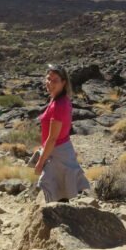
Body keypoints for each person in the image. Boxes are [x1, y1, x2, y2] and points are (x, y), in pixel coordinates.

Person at [34, 63, 90, 203]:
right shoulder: (58, 99)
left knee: (55, 192)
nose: (50, 83)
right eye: (48, 79)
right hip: (60, 150)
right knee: (60, 191)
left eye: (55, 80)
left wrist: (40, 163)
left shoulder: (59, 105)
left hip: (57, 153)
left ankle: (59, 221)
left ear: (63, 82)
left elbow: (52, 138)